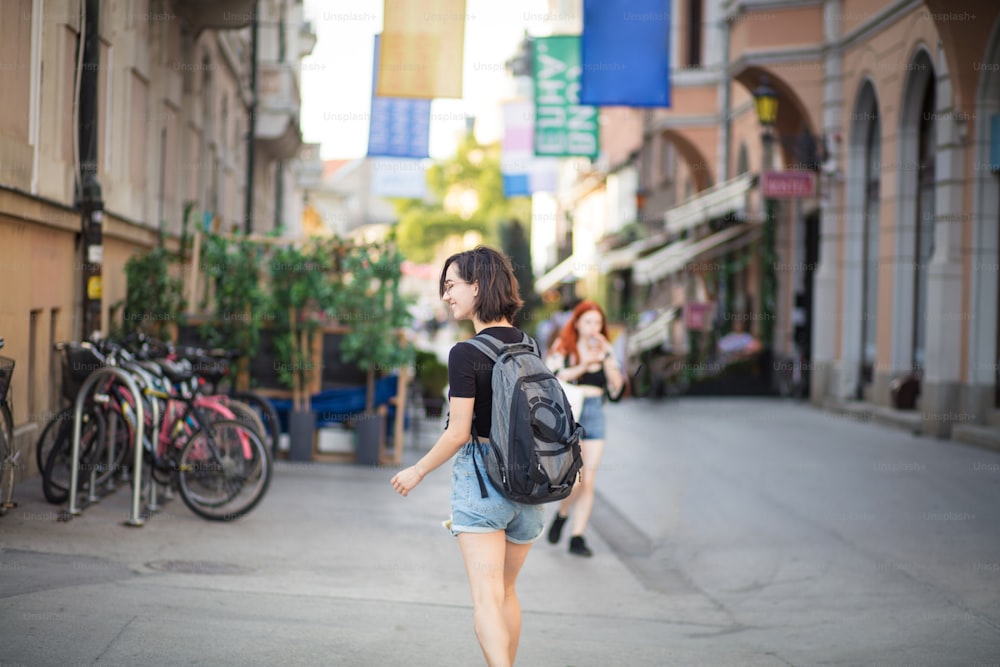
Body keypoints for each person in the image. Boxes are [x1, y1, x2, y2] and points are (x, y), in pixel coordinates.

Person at [391, 246, 543, 667]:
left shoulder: (466, 353)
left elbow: (459, 433)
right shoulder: (528, 345)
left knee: (486, 598)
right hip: (530, 485)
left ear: (477, 286)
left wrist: (417, 470)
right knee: (506, 593)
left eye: (451, 285)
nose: (446, 295)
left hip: (483, 480)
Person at [543, 300, 625, 557]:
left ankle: (577, 536)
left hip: (595, 411)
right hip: (571, 412)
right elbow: (551, 376)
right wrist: (583, 364)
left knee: (588, 479)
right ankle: (562, 513)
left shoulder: (605, 349)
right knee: (576, 478)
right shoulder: (563, 346)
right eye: (588, 321)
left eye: (597, 322)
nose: (593, 327)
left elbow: (618, 387)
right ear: (576, 322)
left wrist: (607, 358)